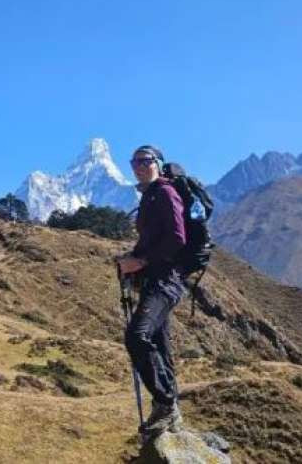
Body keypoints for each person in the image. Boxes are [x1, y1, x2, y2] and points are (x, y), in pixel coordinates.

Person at [117, 145, 186, 435]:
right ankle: (170, 410)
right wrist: (130, 260)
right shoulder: (150, 197)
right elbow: (152, 240)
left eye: (145, 161)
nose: (139, 166)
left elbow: (177, 238)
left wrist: (141, 261)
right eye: (135, 162)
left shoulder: (165, 193)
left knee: (137, 336)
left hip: (164, 281)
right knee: (159, 345)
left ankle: (166, 402)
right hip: (153, 280)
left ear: (158, 163)